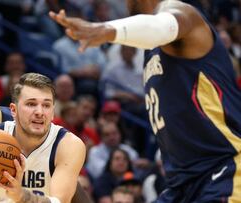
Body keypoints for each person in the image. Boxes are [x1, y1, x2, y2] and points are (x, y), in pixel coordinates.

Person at [50, 0, 241, 202]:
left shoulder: (184, 14)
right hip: (181, 184)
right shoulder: (150, 50)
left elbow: (165, 25)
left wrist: (106, 29)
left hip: (222, 170)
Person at [0, 73, 86, 203]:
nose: (39, 112)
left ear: (52, 112)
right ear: (13, 110)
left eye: (46, 105)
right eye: (31, 104)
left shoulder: (67, 144)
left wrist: (20, 196)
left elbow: (59, 202)